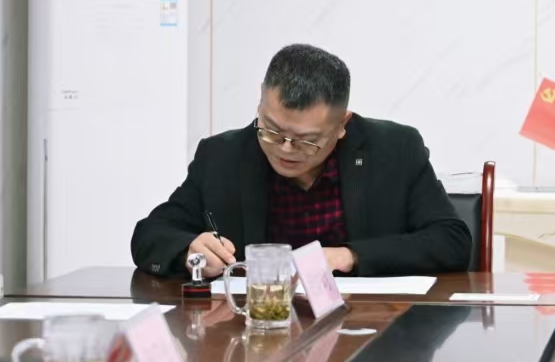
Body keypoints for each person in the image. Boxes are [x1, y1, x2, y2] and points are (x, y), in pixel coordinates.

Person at [132, 44, 471, 278]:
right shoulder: (222, 156)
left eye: (307, 140)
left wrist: (347, 256)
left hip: (367, 333)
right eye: (272, 130)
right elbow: (150, 234)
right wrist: (190, 251)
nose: (286, 149)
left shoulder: (394, 149)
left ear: (342, 124)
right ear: (260, 102)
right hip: (255, 331)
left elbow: (451, 241)